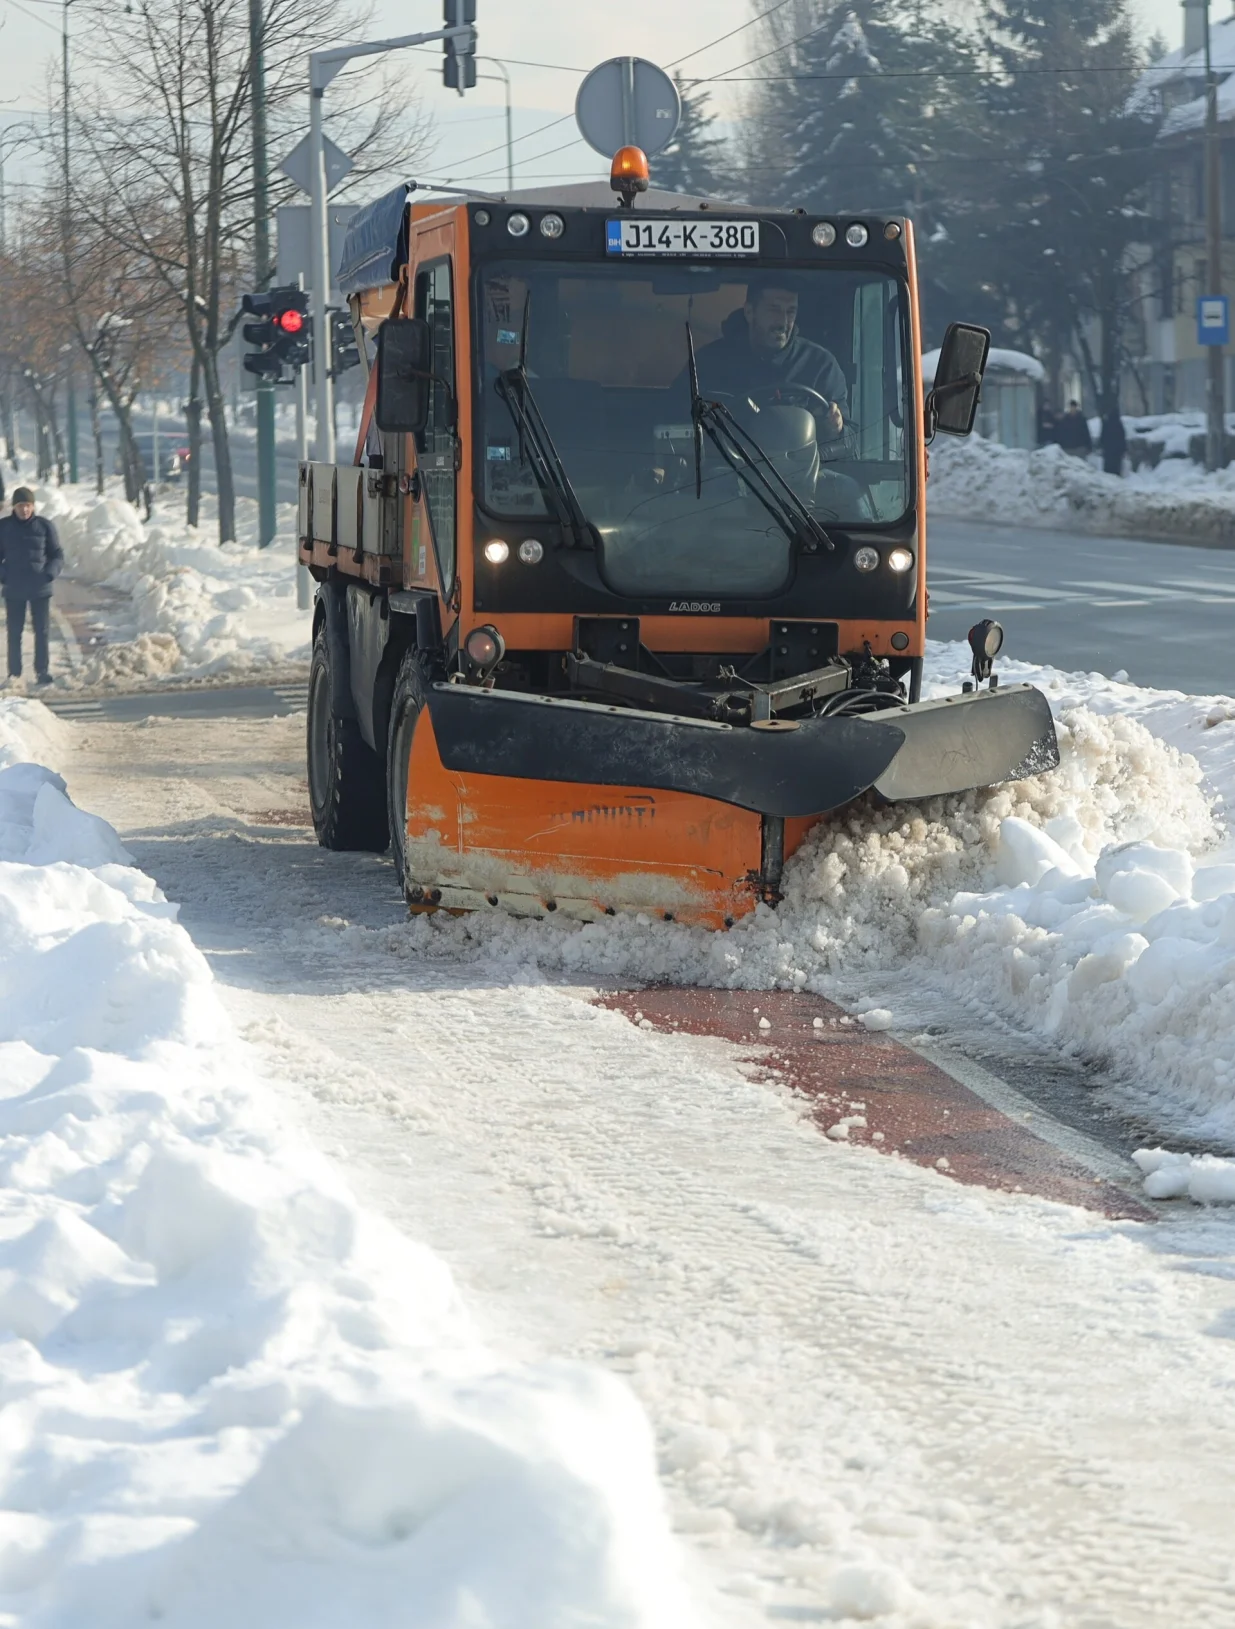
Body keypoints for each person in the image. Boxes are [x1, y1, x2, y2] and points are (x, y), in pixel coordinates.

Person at [691, 279, 849, 443]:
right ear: (750, 312)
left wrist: (836, 429)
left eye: (791, 311)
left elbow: (851, 442)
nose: (783, 321)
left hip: (801, 467)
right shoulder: (709, 363)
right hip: (723, 466)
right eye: (774, 309)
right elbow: (671, 421)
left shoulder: (821, 366)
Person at [0, 488, 63, 687]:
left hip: (40, 588)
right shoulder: (4, 527)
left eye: (28, 505)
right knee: (14, 632)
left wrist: (49, 574)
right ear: (14, 507)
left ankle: (42, 671)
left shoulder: (45, 526)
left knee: (42, 631)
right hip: (14, 588)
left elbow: (57, 554)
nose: (24, 509)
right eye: (20, 506)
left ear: (33, 506)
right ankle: (14, 673)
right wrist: (4, 577)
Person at [1099, 408, 1127, 477]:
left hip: (1108, 450)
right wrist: (1123, 450)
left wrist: (1101, 446)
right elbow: (1122, 438)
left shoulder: (1106, 424)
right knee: (1116, 469)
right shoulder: (1119, 424)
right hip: (1117, 452)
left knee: (1108, 469)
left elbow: (1102, 436)